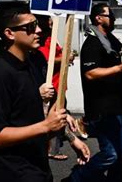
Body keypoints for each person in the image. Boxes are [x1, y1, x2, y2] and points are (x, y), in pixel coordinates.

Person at [0, 2, 89, 182]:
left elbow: (39, 111)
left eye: (36, 24)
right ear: (9, 33)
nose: (38, 30)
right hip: (12, 173)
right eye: (30, 27)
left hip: (38, 167)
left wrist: (71, 136)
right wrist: (45, 126)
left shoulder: (33, 62)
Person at [69, 3, 122, 182]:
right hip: (101, 108)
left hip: (118, 105)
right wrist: (119, 68)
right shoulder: (92, 43)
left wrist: (121, 67)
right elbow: (90, 73)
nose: (112, 17)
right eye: (109, 14)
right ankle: (79, 176)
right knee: (110, 153)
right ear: (98, 18)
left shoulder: (110, 41)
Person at [36, 15, 75, 161]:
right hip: (51, 84)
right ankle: (51, 149)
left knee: (57, 114)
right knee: (54, 116)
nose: (51, 23)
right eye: (48, 21)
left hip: (59, 82)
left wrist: (66, 56)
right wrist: (64, 58)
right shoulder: (41, 39)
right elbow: (47, 60)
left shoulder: (51, 37)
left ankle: (52, 148)